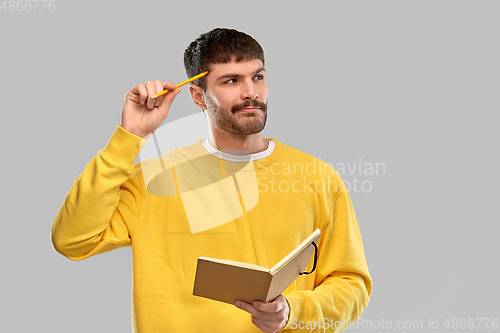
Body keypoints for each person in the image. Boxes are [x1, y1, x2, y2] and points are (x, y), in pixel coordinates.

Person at [51, 28, 372, 333]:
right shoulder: (153, 180)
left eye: (257, 76)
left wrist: (294, 310)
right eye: (231, 80)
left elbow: (352, 285)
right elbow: (73, 241)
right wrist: (129, 137)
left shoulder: (316, 176)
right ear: (198, 96)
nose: (251, 92)